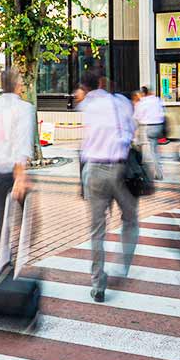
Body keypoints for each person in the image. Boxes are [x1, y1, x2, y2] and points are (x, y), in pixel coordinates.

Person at [78, 72, 137, 303]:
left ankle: (98, 283)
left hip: (94, 170)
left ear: (86, 88)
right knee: (130, 218)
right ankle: (123, 264)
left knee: (97, 230)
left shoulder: (87, 105)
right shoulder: (122, 103)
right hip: (120, 170)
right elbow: (131, 132)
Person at [0, 70, 33, 269]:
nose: (23, 84)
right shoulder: (25, 108)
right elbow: (22, 142)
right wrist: (21, 176)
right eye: (21, 82)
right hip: (13, 170)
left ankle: (2, 258)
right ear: (16, 85)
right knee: (26, 216)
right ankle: (17, 258)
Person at [132, 86, 166, 180]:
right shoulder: (156, 99)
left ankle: (143, 170)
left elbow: (137, 116)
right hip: (159, 126)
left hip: (147, 127)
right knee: (154, 149)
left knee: (142, 147)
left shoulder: (142, 102)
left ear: (143, 93)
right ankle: (157, 171)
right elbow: (163, 111)